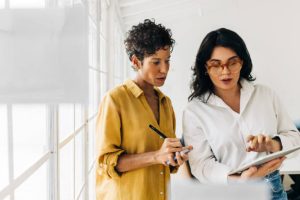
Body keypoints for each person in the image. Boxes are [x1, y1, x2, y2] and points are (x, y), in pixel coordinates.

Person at [182, 28, 300, 200]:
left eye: (232, 62)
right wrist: (237, 181)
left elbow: (295, 138)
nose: (225, 71)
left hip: (273, 189)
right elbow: (201, 165)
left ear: (242, 62)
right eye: (216, 65)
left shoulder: (265, 94)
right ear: (205, 68)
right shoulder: (194, 111)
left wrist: (272, 145)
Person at [96, 19, 192, 200]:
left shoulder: (166, 104)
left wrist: (174, 158)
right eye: (156, 62)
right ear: (136, 61)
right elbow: (106, 163)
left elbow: (165, 161)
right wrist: (156, 156)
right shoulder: (115, 100)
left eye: (167, 60)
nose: (164, 69)